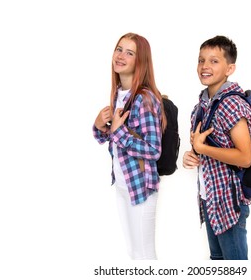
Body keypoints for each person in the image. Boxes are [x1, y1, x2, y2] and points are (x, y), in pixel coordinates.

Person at [92, 32, 166, 260]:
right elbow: (111, 139)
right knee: (133, 253)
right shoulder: (119, 95)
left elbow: (153, 150)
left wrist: (118, 131)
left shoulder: (144, 98)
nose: (120, 55)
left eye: (129, 52)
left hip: (141, 185)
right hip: (123, 184)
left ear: (140, 61)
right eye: (119, 49)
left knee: (145, 254)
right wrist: (99, 127)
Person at [182, 35, 251, 260]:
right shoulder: (201, 106)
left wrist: (203, 150)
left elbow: (245, 158)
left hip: (228, 203)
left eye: (214, 61)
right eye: (201, 60)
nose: (205, 66)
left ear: (229, 68)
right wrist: (191, 156)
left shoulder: (232, 104)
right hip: (209, 199)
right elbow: (200, 147)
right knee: (217, 262)